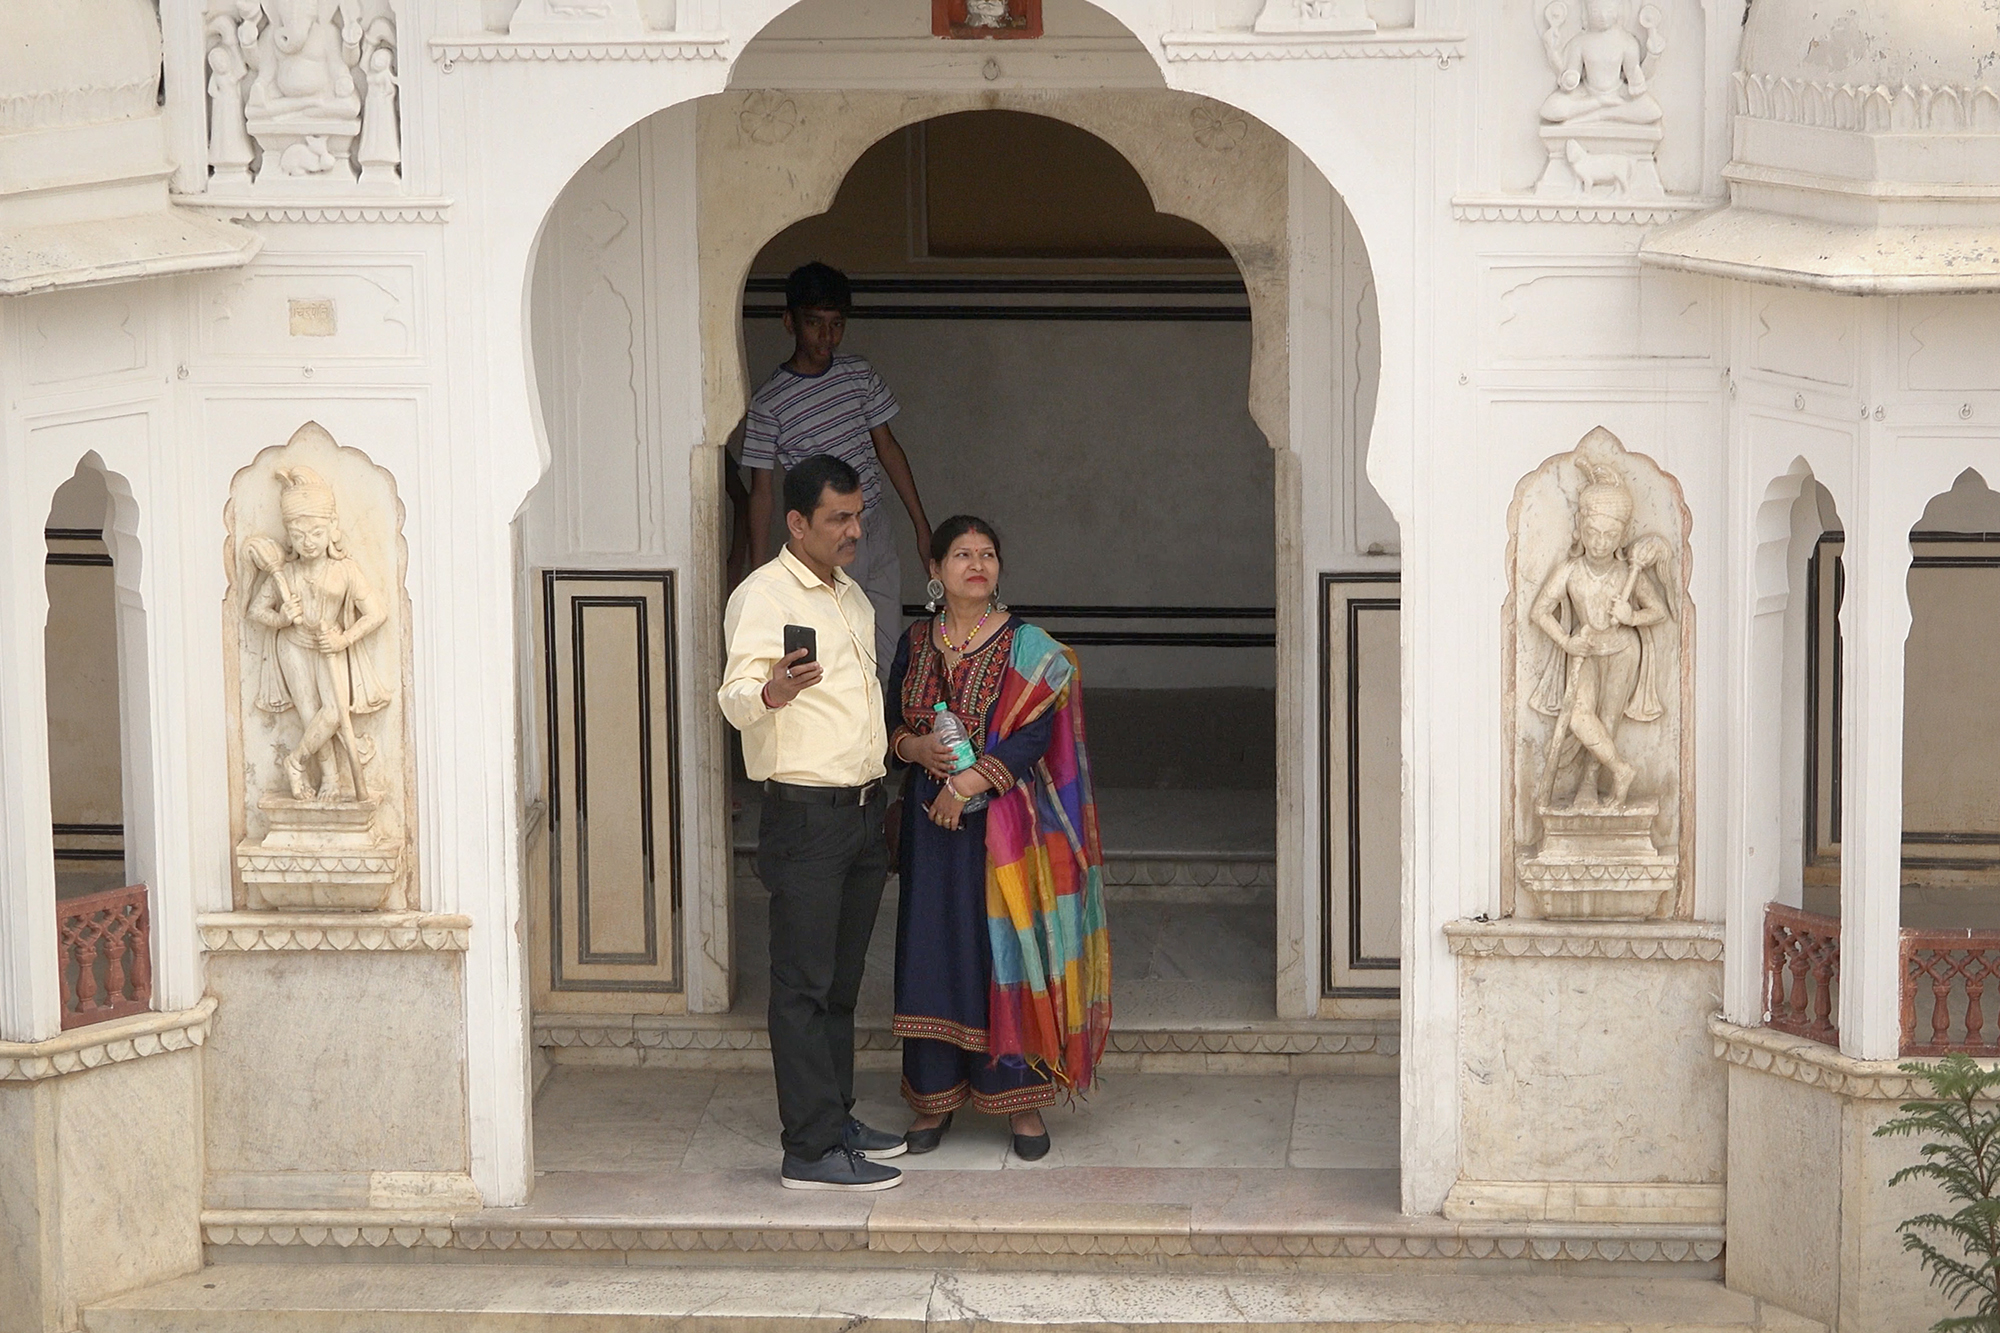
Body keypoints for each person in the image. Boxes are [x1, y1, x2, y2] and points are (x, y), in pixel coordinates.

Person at [886, 516, 1113, 1160]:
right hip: (930, 832)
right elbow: (888, 721)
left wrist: (966, 786)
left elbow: (1034, 734)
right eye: (962, 555)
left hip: (1005, 832)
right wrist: (914, 749)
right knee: (933, 952)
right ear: (936, 570)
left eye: (987, 554)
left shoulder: (1027, 647)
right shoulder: (915, 641)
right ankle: (933, 1098)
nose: (977, 564)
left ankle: (1021, 1104)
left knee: (1006, 954)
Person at [718, 454, 908, 1191]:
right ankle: (808, 1149)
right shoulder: (762, 595)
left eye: (858, 515)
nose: (854, 529)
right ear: (796, 523)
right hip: (804, 820)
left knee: (839, 984)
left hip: (862, 814)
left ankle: (836, 1120)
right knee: (801, 987)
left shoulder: (851, 596)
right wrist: (770, 690)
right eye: (838, 518)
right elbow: (735, 696)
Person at [741, 262, 933, 676]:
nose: (827, 336)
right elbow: (762, 492)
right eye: (814, 323)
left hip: (875, 525)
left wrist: (921, 526)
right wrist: (758, 574)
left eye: (836, 324)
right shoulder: (769, 403)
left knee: (886, 648)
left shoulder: (858, 374)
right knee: (841, 648)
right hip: (827, 536)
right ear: (790, 322)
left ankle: (881, 721)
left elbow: (888, 449)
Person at [246, 466, 392, 802]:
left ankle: (296, 761)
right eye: (299, 535)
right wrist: (282, 618)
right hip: (293, 646)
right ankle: (330, 778)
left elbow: (377, 613)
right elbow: (256, 611)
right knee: (310, 713)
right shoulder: (286, 573)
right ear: (289, 537)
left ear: (332, 530)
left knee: (334, 711)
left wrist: (344, 639)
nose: (308, 542)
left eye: (315, 533)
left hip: (331, 646)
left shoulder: (345, 570)